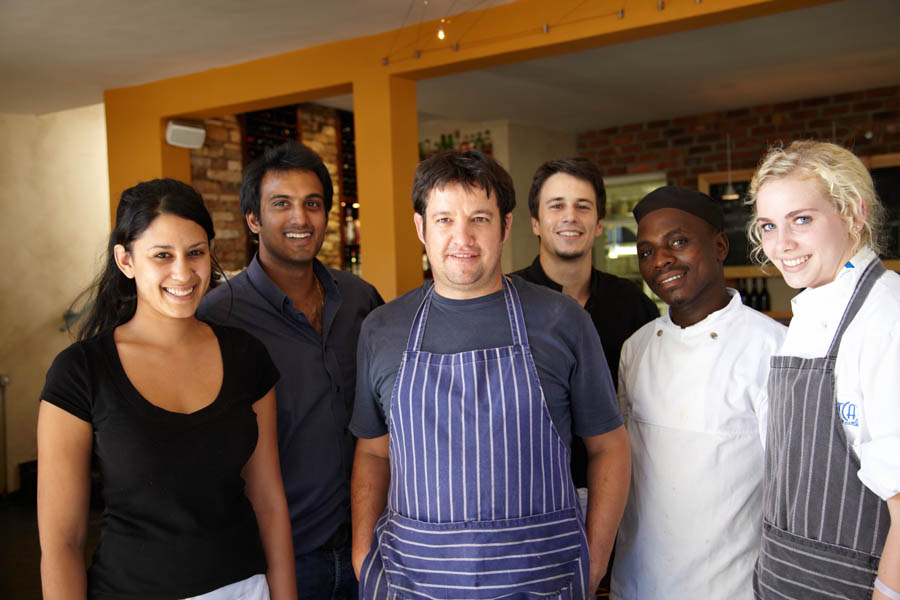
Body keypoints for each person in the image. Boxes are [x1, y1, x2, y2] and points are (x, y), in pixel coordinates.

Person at [350, 150, 631, 599]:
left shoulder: (562, 320)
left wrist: (593, 563)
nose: (462, 237)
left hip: (542, 580)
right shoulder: (382, 328)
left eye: (479, 218)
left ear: (505, 226)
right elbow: (373, 454)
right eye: (444, 220)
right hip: (413, 582)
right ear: (421, 228)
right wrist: (363, 557)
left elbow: (609, 447)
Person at [37, 179, 295, 600]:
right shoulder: (81, 372)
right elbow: (62, 541)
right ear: (125, 261)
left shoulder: (246, 356)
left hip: (245, 589)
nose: (183, 272)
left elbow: (268, 501)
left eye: (195, 253)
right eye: (162, 255)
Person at [198, 142, 383, 600]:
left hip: (374, 545)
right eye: (281, 204)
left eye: (313, 204)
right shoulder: (219, 317)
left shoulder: (361, 299)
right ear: (253, 219)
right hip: (281, 562)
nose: (301, 219)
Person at [611, 186, 786, 600]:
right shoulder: (636, 348)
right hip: (638, 581)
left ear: (720, 246)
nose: (662, 259)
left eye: (678, 242)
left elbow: (791, 491)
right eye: (647, 251)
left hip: (731, 587)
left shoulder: (774, 349)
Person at [749, 140, 900, 599]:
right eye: (769, 226)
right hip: (785, 580)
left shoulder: (885, 318)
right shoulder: (811, 313)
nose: (782, 245)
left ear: (852, 213)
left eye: (802, 220)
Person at [513, 157, 657, 488]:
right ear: (535, 222)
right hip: (532, 493)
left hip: (620, 490)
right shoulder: (507, 304)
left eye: (582, 206)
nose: (570, 217)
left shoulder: (635, 307)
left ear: (599, 223)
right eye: (556, 205)